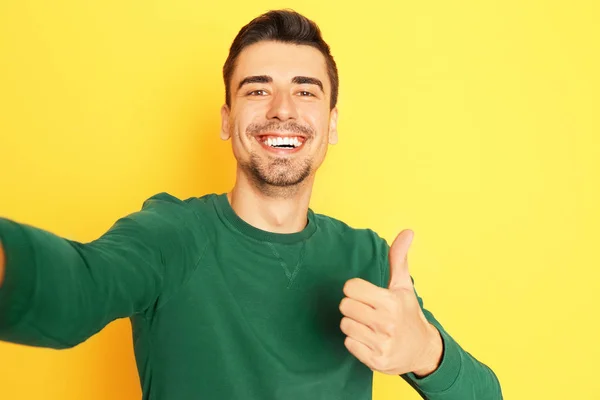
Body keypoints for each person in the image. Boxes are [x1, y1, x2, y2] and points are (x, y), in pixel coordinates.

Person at [0, 9, 502, 400]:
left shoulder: (369, 259)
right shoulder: (172, 234)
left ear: (331, 123)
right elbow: (75, 288)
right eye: (257, 89)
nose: (282, 110)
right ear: (226, 119)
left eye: (305, 92)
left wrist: (427, 352)